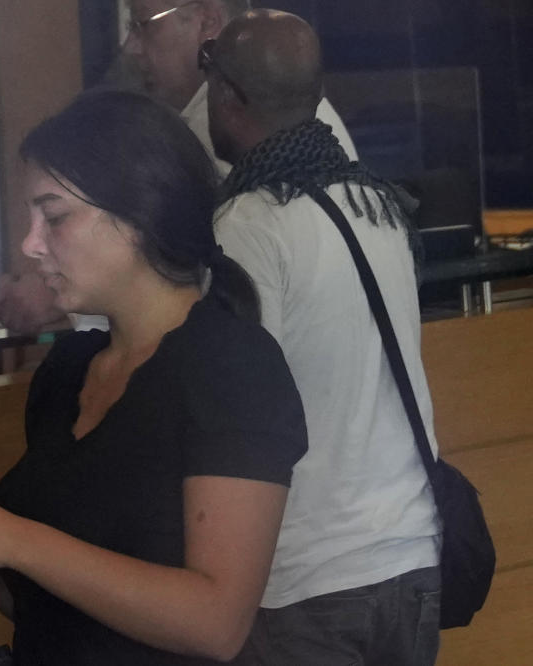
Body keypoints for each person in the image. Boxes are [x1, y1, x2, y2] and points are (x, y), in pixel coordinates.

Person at [0, 90, 308, 665]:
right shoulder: (67, 370)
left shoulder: (232, 365)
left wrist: (11, 536)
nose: (31, 245)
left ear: (138, 214)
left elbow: (216, 623)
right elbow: (40, 607)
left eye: (54, 216)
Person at [202, 10, 441, 665]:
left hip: (306, 584)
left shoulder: (249, 226)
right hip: (410, 560)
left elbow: (241, 416)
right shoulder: (378, 208)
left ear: (227, 97)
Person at [0, 0, 357, 334]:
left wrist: (54, 295)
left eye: (141, 26)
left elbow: (179, 279)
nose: (132, 46)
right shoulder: (298, 122)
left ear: (206, 23)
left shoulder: (227, 130)